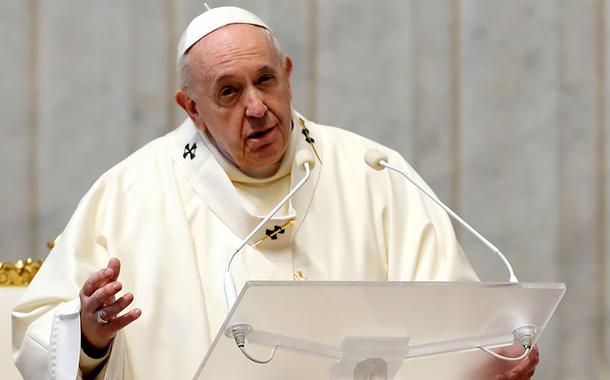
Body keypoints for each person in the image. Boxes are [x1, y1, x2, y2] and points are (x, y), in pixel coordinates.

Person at [12, 6, 539, 380]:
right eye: (228, 92)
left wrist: (482, 356)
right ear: (191, 108)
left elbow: (452, 315)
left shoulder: (375, 172)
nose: (257, 107)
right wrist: (88, 335)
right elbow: (39, 343)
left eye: (265, 80)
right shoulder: (128, 195)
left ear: (288, 77)